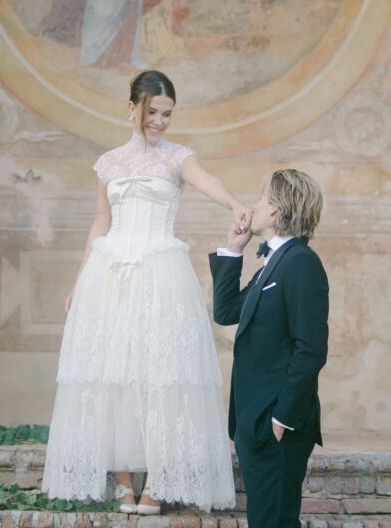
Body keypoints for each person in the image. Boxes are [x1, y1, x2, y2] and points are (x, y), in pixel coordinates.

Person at [41, 70, 242, 514]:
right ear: (131, 107)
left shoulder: (177, 157)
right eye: (152, 111)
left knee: (159, 374)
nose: (159, 121)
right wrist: (77, 284)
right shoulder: (108, 163)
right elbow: (100, 222)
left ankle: (158, 482)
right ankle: (123, 482)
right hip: (108, 275)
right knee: (111, 375)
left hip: (160, 273)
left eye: (167, 113)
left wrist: (236, 205)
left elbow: (206, 179)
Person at [208, 169, 329, 528]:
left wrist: (282, 420)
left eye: (261, 200)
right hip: (255, 420)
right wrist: (233, 251)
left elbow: (310, 349)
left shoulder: (301, 263)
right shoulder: (272, 265)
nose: (255, 206)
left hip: (278, 424)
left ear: (275, 210)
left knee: (274, 522)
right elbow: (227, 312)